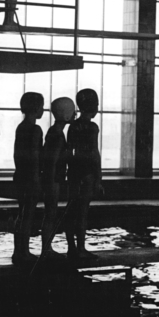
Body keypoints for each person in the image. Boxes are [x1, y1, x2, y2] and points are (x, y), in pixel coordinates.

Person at [64, 89, 103, 261]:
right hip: (87, 173)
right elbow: (94, 153)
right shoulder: (93, 127)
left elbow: (69, 151)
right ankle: (81, 248)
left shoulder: (73, 126)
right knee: (83, 212)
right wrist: (99, 178)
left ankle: (71, 248)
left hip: (74, 172)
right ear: (94, 107)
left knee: (71, 210)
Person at [39, 97, 75, 259]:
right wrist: (51, 180)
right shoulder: (57, 135)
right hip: (53, 179)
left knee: (51, 213)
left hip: (52, 178)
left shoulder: (54, 132)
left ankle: (47, 248)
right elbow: (52, 160)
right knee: (51, 213)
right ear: (66, 114)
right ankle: (46, 249)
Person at [12, 92, 44, 265]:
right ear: (36, 108)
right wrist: (37, 179)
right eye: (42, 106)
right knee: (28, 215)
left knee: (21, 214)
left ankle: (19, 251)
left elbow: (17, 154)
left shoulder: (20, 127)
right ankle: (24, 252)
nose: (44, 110)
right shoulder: (35, 129)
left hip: (20, 175)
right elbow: (35, 155)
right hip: (30, 178)